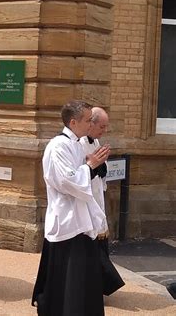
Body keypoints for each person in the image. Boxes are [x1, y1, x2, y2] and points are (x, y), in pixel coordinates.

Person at [32, 100, 110, 316]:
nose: (91, 123)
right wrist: (90, 166)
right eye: (88, 120)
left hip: (80, 218)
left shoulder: (76, 143)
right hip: (67, 219)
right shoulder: (58, 146)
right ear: (74, 122)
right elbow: (67, 181)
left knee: (84, 277)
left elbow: (80, 175)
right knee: (70, 278)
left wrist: (93, 166)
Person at [80, 107, 125, 296]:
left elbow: (100, 168)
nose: (104, 130)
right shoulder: (79, 143)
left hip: (98, 198)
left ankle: (98, 286)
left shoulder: (95, 140)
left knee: (100, 243)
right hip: (86, 202)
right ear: (90, 124)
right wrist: (93, 166)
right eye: (102, 126)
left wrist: (102, 165)